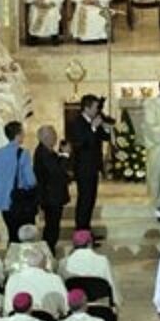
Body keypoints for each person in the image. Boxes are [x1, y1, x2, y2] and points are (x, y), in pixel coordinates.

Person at [0, 122, 37, 238]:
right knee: (25, 236)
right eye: (23, 132)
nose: (24, 135)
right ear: (18, 135)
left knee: (12, 234)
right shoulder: (23, 153)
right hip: (19, 202)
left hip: (3, 203)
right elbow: (31, 181)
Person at [68, 94, 110, 232]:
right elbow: (80, 143)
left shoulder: (94, 121)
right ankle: (81, 232)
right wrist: (92, 128)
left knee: (91, 200)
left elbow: (106, 137)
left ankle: (86, 230)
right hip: (83, 168)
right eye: (95, 107)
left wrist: (104, 127)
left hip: (93, 167)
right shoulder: (77, 122)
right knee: (84, 200)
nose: (98, 110)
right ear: (87, 108)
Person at [31, 125, 69, 252]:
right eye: (53, 135)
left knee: (53, 226)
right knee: (52, 227)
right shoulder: (43, 153)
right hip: (51, 197)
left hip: (53, 195)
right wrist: (65, 154)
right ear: (45, 138)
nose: (55, 138)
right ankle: (48, 251)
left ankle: (49, 249)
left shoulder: (48, 151)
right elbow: (56, 172)